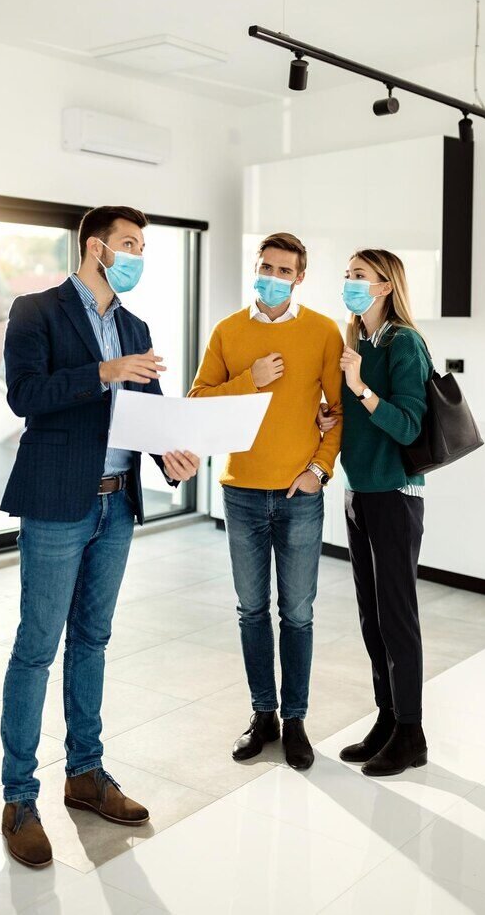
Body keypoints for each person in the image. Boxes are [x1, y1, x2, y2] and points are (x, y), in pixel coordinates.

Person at [0, 205, 199, 867]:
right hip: (58, 503)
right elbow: (25, 395)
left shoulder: (135, 325)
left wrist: (172, 451)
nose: (138, 254)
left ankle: (86, 774)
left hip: (117, 508)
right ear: (96, 247)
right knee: (36, 650)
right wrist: (104, 373)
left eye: (144, 245)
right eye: (130, 243)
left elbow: (148, 413)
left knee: (93, 642)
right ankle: (19, 798)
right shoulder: (37, 311)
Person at [189, 232, 343, 770]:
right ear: (255, 268)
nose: (272, 277)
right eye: (265, 267)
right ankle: (263, 715)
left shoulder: (324, 331)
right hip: (242, 493)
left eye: (284, 270)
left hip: (299, 493)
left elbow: (336, 411)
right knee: (251, 611)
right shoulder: (228, 332)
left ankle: (296, 720)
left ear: (299, 277)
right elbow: (197, 402)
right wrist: (247, 381)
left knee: (296, 614)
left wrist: (318, 470)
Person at [318, 248, 433, 777]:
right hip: (359, 490)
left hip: (394, 494)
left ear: (386, 286)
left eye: (359, 276)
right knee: (371, 616)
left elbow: (409, 425)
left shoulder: (403, 343)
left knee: (397, 616)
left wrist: (361, 387)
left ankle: (412, 732)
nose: (350, 283)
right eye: (347, 275)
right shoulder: (357, 342)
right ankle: (387, 720)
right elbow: (358, 421)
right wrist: (332, 413)